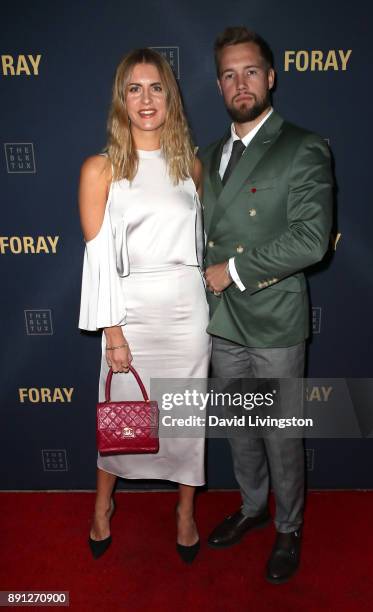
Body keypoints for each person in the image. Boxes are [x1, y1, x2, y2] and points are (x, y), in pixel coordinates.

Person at [201, 27, 333, 583]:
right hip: (222, 324)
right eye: (229, 74)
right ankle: (255, 509)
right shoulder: (208, 156)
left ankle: (289, 528)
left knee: (281, 434)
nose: (241, 83)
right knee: (240, 430)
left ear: (271, 76)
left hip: (274, 320)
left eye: (250, 71)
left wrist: (231, 272)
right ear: (219, 84)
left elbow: (311, 237)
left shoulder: (303, 145)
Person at [78, 48, 210, 564]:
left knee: (184, 418)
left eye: (155, 87)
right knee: (121, 416)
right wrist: (113, 332)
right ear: (121, 99)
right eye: (134, 88)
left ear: (170, 96)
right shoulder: (101, 169)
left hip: (188, 314)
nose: (146, 98)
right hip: (129, 313)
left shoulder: (191, 167)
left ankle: (184, 513)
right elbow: (97, 263)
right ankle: (102, 507)